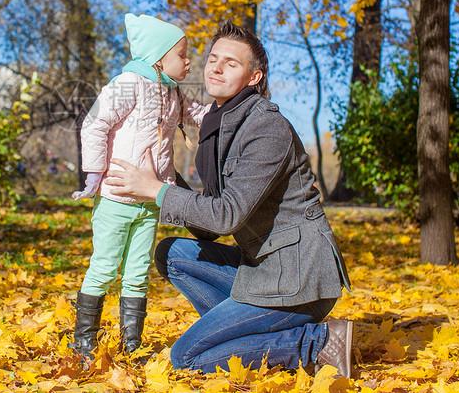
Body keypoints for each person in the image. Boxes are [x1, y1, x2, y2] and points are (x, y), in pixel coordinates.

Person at [106, 21, 354, 378]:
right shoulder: (220, 125)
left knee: (186, 358)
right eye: (212, 59)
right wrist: (165, 176)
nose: (216, 67)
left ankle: (316, 342)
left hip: (299, 281)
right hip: (263, 269)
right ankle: (241, 335)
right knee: (172, 254)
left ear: (254, 77)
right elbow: (209, 233)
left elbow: (227, 217)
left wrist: (156, 191)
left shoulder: (266, 127)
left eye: (231, 63)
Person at [70, 13, 210, 358]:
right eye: (181, 54)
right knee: (104, 267)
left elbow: (202, 115)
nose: (188, 61)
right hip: (117, 196)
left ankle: (130, 343)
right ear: (158, 57)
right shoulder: (128, 83)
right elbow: (94, 123)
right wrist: (94, 172)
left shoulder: (173, 92)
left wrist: (238, 110)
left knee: (136, 274)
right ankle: (84, 341)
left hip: (149, 200)